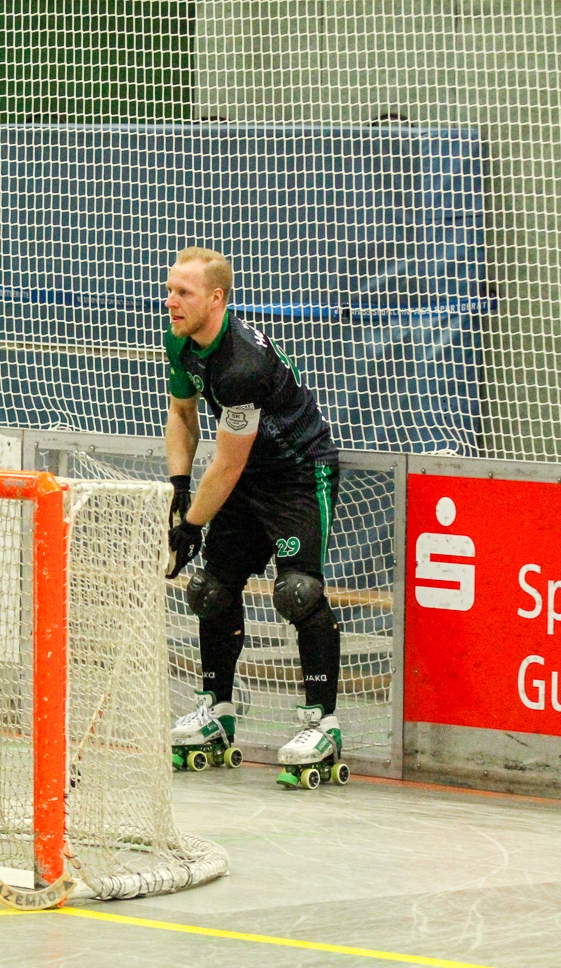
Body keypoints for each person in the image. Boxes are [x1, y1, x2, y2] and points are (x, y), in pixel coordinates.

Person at [161, 248, 344, 788]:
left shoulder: (242, 366)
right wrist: (179, 489)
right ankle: (217, 712)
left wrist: (191, 526)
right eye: (169, 290)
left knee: (298, 593)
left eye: (184, 293)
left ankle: (323, 724)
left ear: (216, 299)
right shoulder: (181, 340)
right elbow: (182, 414)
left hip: (296, 475)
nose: (171, 301)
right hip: (244, 478)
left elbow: (227, 462)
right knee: (211, 590)